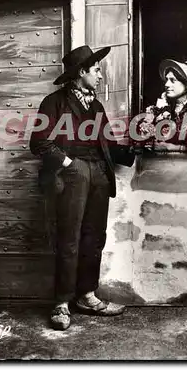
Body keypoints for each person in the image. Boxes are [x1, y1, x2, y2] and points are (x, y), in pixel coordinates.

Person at [30, 45, 135, 330]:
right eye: (97, 70)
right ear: (81, 73)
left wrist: (137, 147)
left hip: (99, 175)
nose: (101, 75)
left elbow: (109, 145)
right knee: (70, 239)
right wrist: (68, 164)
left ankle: (87, 296)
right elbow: (39, 142)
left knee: (94, 238)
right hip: (72, 176)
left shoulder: (97, 106)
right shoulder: (53, 103)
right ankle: (61, 303)